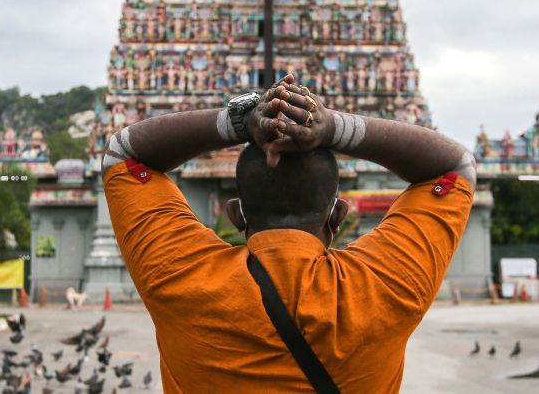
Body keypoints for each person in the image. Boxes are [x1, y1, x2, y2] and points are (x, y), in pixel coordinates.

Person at [102, 74, 476, 393]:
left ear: (236, 215)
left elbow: (121, 152)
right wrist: (333, 127)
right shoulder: (384, 286)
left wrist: (240, 121)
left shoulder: (180, 277)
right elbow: (456, 165)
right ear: (338, 216)